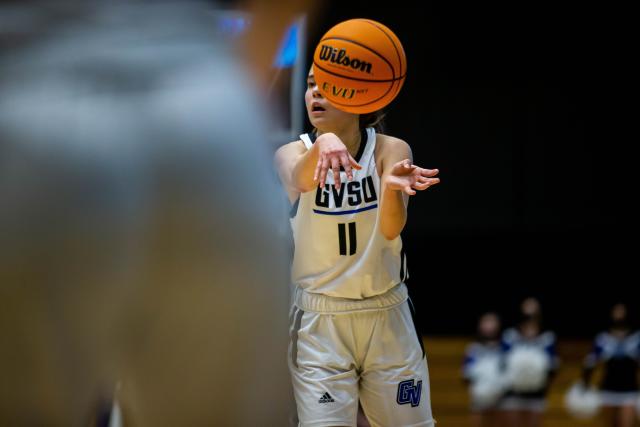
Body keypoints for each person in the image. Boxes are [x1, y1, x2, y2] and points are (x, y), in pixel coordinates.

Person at [274, 64, 440, 427]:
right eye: (310, 85)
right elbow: (301, 179)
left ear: (360, 94)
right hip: (320, 322)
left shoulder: (390, 149)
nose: (315, 92)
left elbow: (392, 229)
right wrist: (324, 142)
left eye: (328, 86)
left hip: (387, 314)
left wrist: (393, 190)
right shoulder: (290, 153)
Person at [498, 297, 558, 427]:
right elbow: (501, 363)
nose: (530, 320)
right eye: (526, 316)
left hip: (536, 392)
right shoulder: (510, 336)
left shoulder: (547, 338)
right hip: (512, 392)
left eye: (534, 316)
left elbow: (553, 367)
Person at [581, 303, 639, 427]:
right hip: (608, 390)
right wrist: (585, 384)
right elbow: (589, 363)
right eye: (616, 311)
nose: (619, 315)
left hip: (629, 390)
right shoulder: (603, 339)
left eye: (622, 311)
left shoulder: (636, 339)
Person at [463, 312, 506, 427]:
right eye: (486, 322)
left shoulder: (504, 349)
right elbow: (466, 376)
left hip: (500, 401)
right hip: (479, 400)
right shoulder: (473, 349)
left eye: (492, 322)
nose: (489, 326)